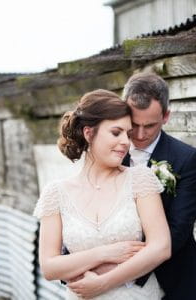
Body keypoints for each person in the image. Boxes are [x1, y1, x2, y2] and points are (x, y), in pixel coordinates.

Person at [33, 89, 171, 299]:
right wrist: (105, 253)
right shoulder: (56, 193)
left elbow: (161, 247)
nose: (126, 141)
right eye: (116, 133)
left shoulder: (140, 179)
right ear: (89, 133)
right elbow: (49, 267)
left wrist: (103, 283)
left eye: (128, 133)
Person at [122, 72, 196, 299]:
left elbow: (178, 229)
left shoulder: (188, 159)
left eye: (149, 125)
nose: (139, 135)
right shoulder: (106, 154)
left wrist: (122, 270)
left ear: (166, 116)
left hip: (174, 281)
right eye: (134, 124)